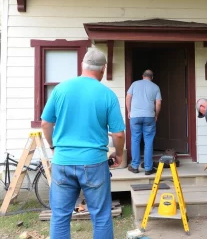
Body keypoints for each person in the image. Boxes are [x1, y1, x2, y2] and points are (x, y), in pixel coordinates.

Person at [41, 48, 125, 239]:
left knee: (60, 216)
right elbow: (118, 134)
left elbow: (46, 123)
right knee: (101, 216)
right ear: (103, 69)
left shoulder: (61, 89)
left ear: (82, 65)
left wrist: (54, 147)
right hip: (94, 162)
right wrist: (118, 154)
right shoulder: (107, 94)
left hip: (62, 162)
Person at [126, 69, 162, 175]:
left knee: (135, 140)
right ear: (152, 77)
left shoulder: (134, 84)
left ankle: (134, 166)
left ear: (143, 76)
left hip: (135, 116)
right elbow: (158, 103)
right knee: (148, 141)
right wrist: (156, 115)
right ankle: (148, 168)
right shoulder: (155, 87)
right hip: (149, 116)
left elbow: (128, 97)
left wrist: (129, 111)